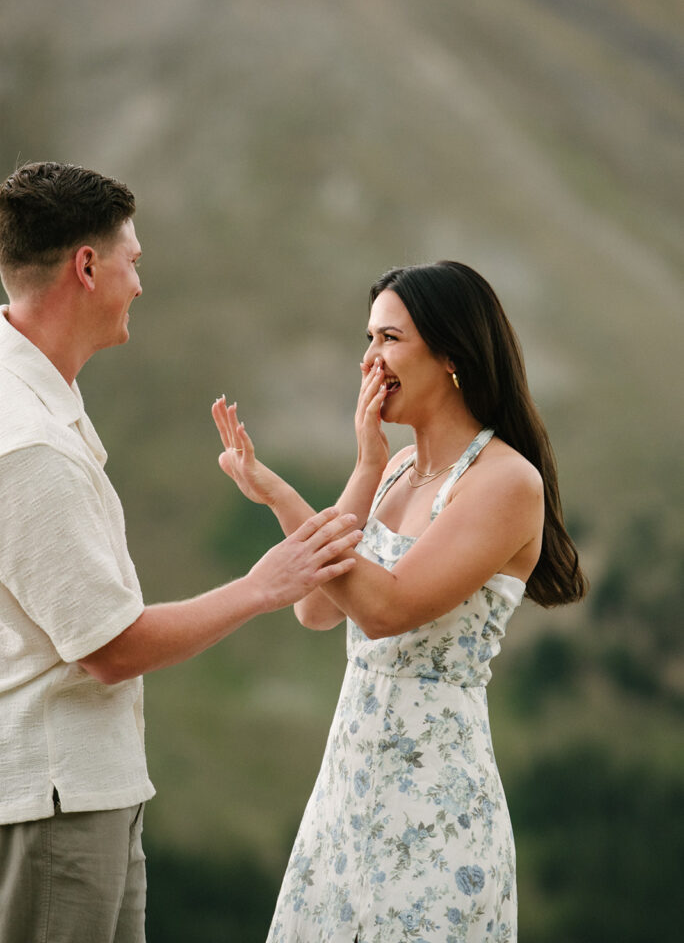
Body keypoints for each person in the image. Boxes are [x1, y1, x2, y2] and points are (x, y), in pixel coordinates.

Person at [0, 160, 364, 943]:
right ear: (86, 267)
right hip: (55, 803)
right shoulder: (26, 441)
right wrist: (264, 585)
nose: (141, 281)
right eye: (134, 260)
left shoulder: (34, 403)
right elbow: (108, 647)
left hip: (77, 790)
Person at [212, 260, 587, 943]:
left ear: (450, 355)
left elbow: (386, 610)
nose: (369, 360)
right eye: (368, 339)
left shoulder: (506, 481)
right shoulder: (396, 471)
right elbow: (319, 608)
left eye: (387, 339)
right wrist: (364, 467)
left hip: (434, 806)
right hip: (348, 794)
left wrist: (277, 494)